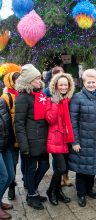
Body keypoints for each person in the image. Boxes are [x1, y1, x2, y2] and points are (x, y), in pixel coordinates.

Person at [69, 69, 96, 207]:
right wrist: (75, 141)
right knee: (82, 169)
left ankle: (89, 189)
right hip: (82, 140)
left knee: (93, 166)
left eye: (94, 82)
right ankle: (81, 193)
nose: (91, 84)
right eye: (88, 82)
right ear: (84, 82)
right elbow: (72, 121)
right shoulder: (77, 98)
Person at [15, 64, 50, 210]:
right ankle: (32, 195)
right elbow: (19, 123)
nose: (39, 80)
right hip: (31, 141)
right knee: (30, 169)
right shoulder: (23, 97)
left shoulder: (40, 94)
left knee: (45, 165)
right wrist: (24, 145)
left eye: (39, 77)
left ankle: (32, 192)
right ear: (29, 81)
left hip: (42, 139)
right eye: (36, 78)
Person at [46, 73, 75, 206]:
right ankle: (51, 191)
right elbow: (50, 119)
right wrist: (56, 103)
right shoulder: (52, 100)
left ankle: (58, 191)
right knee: (61, 167)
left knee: (64, 167)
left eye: (65, 85)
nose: (63, 87)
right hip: (55, 138)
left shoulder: (69, 99)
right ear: (56, 86)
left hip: (67, 138)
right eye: (61, 85)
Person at [1, 69, 21, 200]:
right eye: (17, 81)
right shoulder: (6, 97)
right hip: (12, 138)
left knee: (19, 163)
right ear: (11, 82)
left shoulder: (23, 94)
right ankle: (12, 187)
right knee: (12, 165)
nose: (19, 83)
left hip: (22, 136)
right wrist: (12, 139)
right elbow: (6, 121)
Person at [0, 98, 15, 220]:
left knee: (10, 176)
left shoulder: (2, 101)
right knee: (3, 176)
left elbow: (9, 122)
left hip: (6, 145)